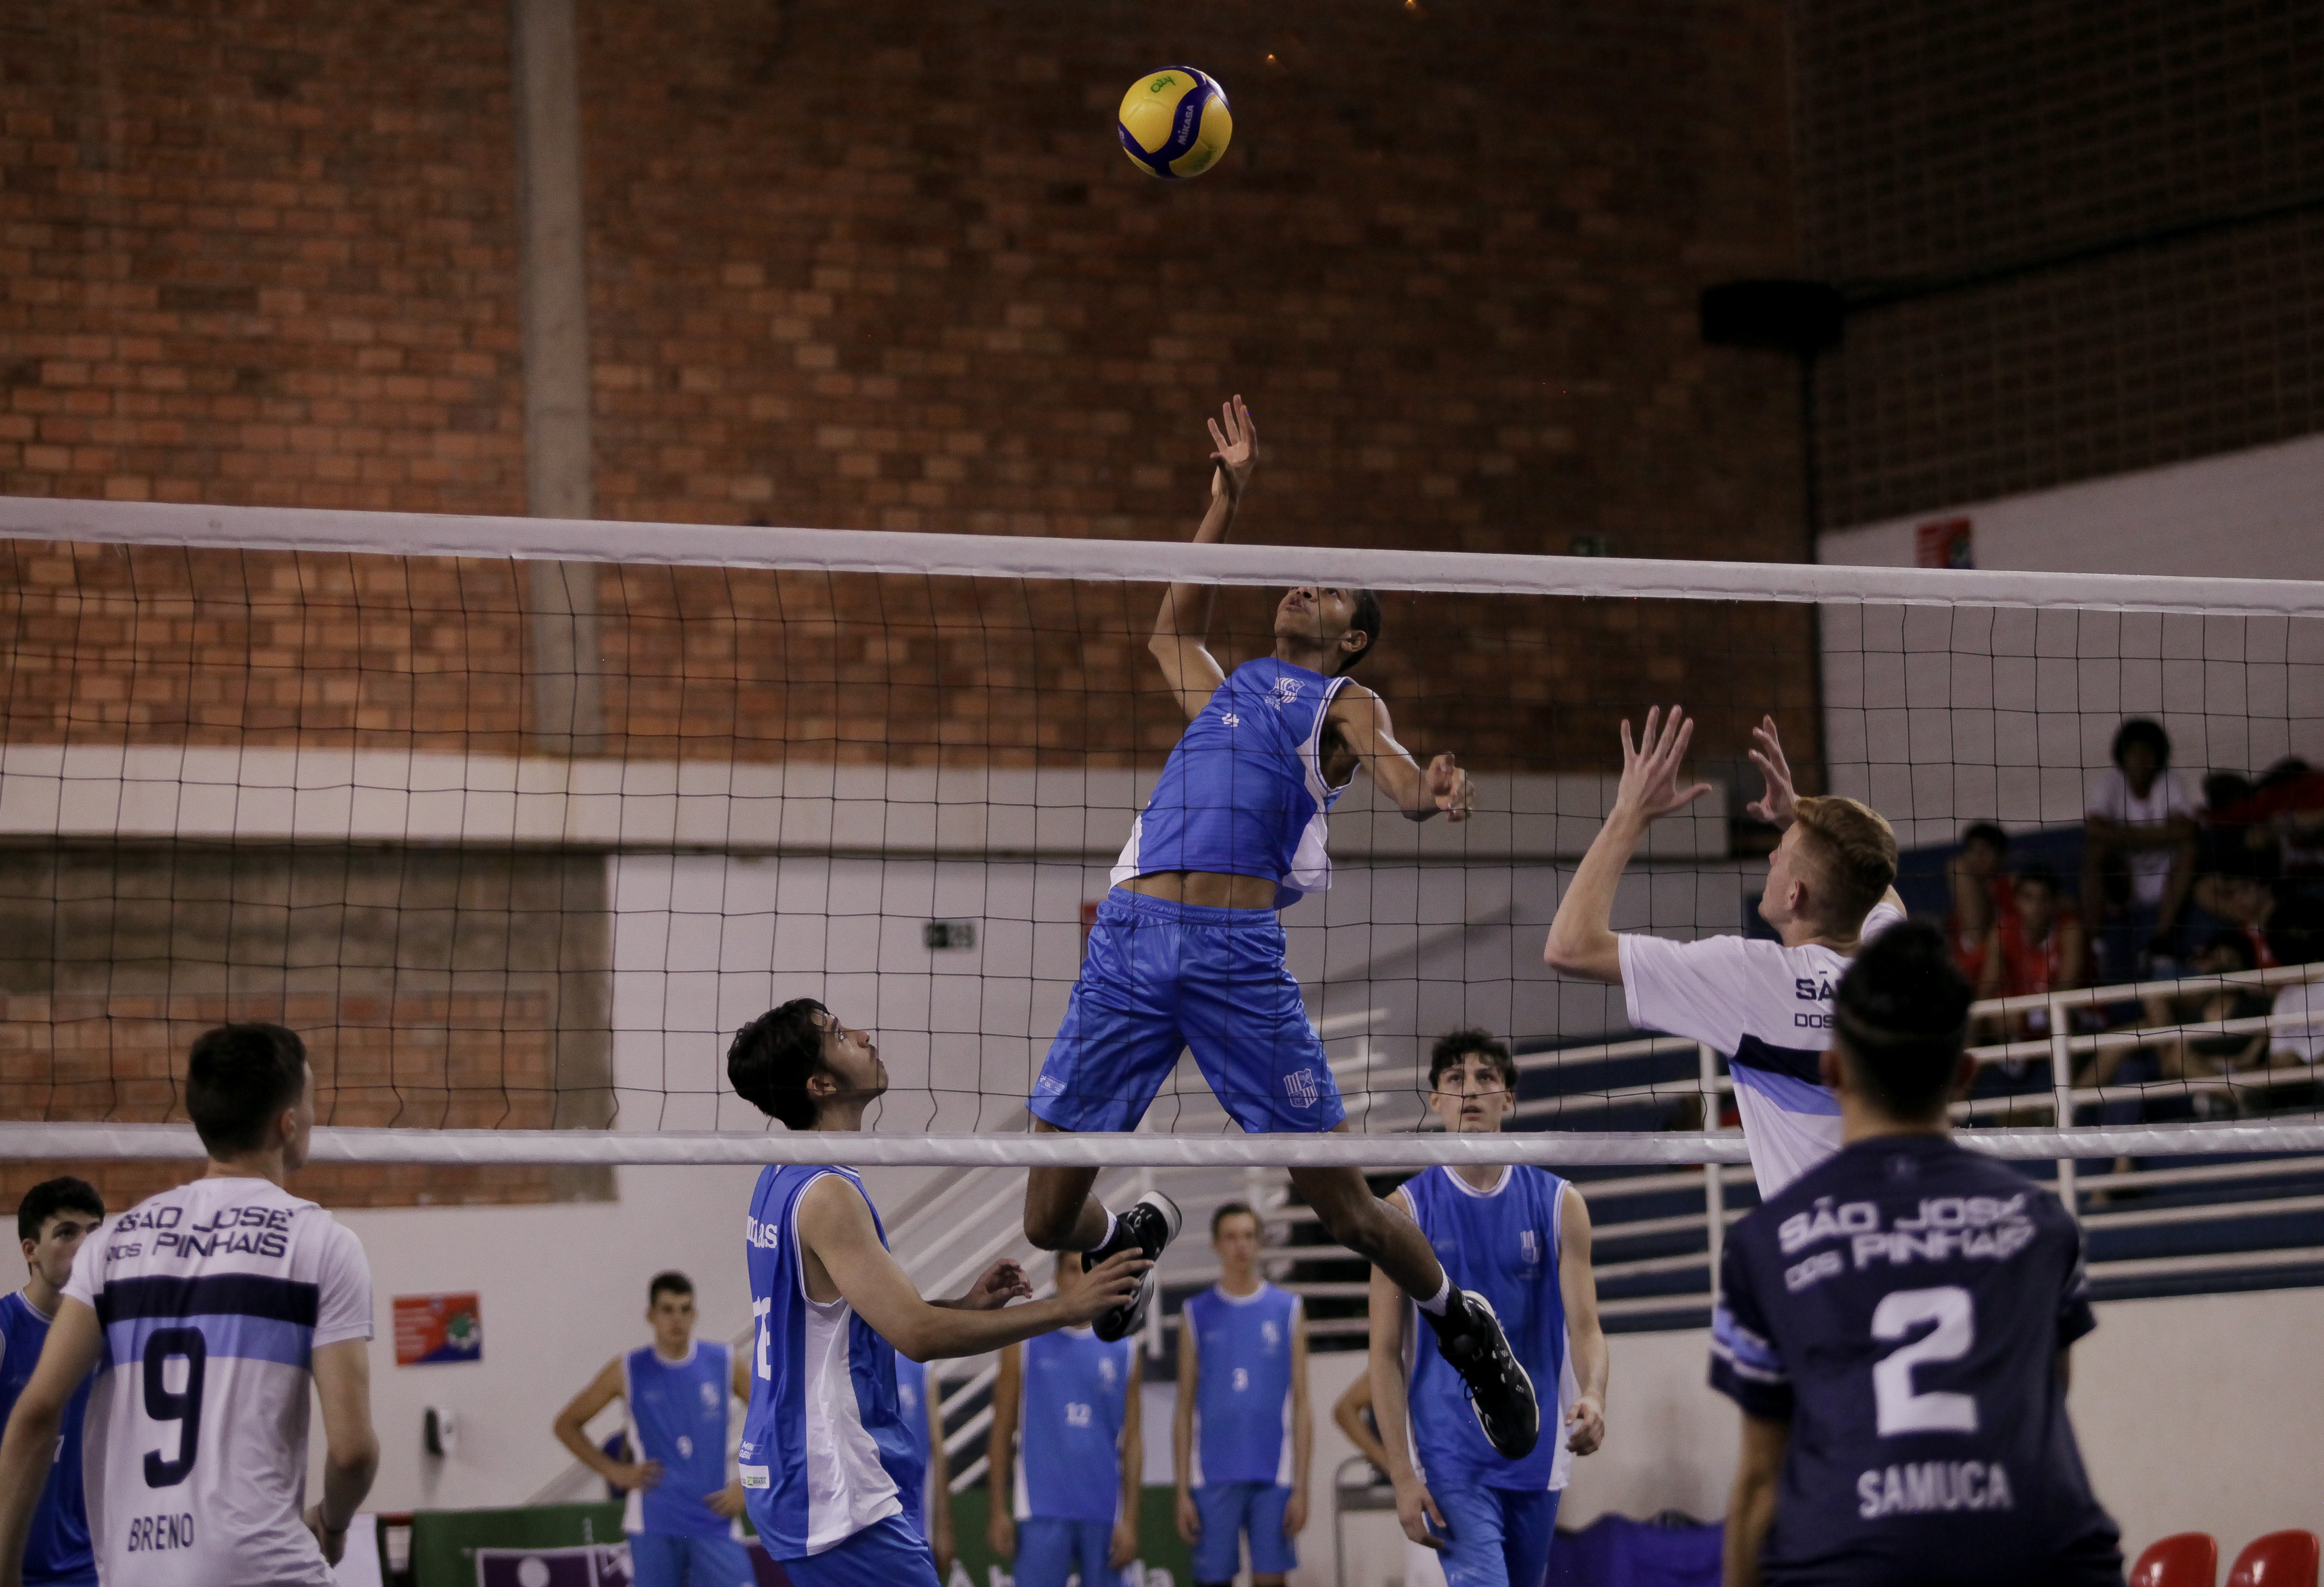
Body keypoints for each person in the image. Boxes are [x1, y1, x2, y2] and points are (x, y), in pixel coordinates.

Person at [1018, 395, 1537, 1461]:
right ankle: (1131, 1232)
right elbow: (1168, 626)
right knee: (1045, 1222)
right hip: (1126, 946)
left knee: (1347, 1211)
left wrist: (1424, 789)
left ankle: (1464, 1325)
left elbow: (1390, 772)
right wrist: (1227, 500)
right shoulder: (1222, 691)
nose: (1300, 583)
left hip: (1236, 967)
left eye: (1329, 587)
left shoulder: (1343, 703)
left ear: (1348, 636)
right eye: (1296, 573)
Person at [1713, 922, 2123, 1587]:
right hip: (2040, 1557)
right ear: (1964, 1073)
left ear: (1832, 1066)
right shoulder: (2041, 1222)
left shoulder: (1764, 1244)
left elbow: (1761, 1478)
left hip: (1847, 1560)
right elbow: (2046, 1393)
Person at [725, 999, 1149, 1587]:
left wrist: (964, 1307)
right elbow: (917, 1337)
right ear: (820, 1084)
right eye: (840, 1035)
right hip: (829, 1486)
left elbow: (849, 1320)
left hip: (791, 1471)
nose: (865, 1035)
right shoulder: (827, 1196)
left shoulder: (780, 1175)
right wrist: (1068, 1308)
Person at [0, 1024, 379, 1587]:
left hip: (136, 1571)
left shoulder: (112, 1246)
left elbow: (33, 1414)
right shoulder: (321, 1242)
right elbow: (352, 1452)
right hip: (265, 1567)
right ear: (289, 1122)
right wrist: (335, 1520)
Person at [1545, 708, 1905, 1198]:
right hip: (1906, 1231)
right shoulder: (1891, 967)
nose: (1772, 855)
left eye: (1781, 848)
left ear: (1795, 895)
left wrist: (1631, 812)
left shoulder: (1750, 978)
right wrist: (1799, 815)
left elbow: (1569, 947)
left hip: (1818, 1254)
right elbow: (1877, 889)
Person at [1367, 1029, 1609, 1587]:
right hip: (1450, 1454)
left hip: (1536, 1446)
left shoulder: (1559, 1202)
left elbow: (1586, 1328)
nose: (1470, 1089)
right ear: (1434, 1098)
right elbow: (1382, 1354)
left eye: (1485, 1077)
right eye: (1455, 1078)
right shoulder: (1402, 1211)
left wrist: (1594, 1393)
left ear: (1509, 1098)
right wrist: (1401, 1474)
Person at [552, 1272, 752, 1587]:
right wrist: (614, 1470)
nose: (677, 1319)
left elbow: (775, 1420)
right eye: (668, 1309)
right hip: (654, 1520)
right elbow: (566, 1425)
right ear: (651, 1315)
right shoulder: (628, 1369)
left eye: (685, 1309)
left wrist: (752, 1483)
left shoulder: (724, 1362)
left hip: (715, 1518)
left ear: (695, 1314)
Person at [1172, 1203, 1311, 1587]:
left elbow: (1302, 1404)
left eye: (1249, 1236)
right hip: (1213, 1474)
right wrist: (1182, 1489)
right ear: (1217, 1244)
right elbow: (1184, 1407)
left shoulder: (1288, 1309)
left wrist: (1301, 1484)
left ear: (1260, 1242)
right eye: (1232, 1237)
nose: (1241, 1246)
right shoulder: (1195, 1313)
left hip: (1273, 1473)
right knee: (1214, 1579)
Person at [986, 1255, 1143, 1587]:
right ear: (1057, 1276)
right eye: (1073, 1268)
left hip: (1103, 1510)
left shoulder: (1124, 1348)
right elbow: (1002, 1431)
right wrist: (998, 1509)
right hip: (1041, 1508)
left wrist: (1129, 1520)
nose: (1082, 1278)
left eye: (1090, 1269)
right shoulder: (1024, 1339)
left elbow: (1133, 1441)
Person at [0, 1180, 104, 1587]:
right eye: (66, 1233)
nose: (84, 1246)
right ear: (31, 1250)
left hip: (88, 1567)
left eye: (94, 1233)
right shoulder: (7, 1329)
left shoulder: (114, 1336)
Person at [2082, 717, 2200, 973]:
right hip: (2125, 880)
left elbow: (2188, 829)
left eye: (2148, 751)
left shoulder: (2170, 781)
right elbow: (2093, 828)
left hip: (2166, 877)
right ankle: (2094, 943)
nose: (2141, 759)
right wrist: (2161, 833)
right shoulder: (2110, 782)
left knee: (2190, 849)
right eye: (2134, 751)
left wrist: (2126, 835)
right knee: (2096, 851)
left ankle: (2160, 941)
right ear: (2122, 755)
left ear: (2160, 755)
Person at [1330, 1376, 1445, 1587]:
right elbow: (1345, 1410)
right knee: (1431, 1574)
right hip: (1428, 1491)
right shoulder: (1406, 1354)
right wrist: (1396, 1467)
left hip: (1474, 1484)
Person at [891, 1354, 955, 1578]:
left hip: (916, 1522)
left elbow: (936, 1446)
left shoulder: (921, 1366)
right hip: (868, 1522)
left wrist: (944, 1527)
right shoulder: (853, 1354)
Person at [1946, 823, 2013, 986]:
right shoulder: (1956, 915)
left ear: (2001, 856)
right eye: (1973, 850)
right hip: (1967, 978)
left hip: (2006, 976)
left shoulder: (2015, 889)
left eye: (1986, 850)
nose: (1978, 857)